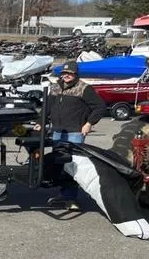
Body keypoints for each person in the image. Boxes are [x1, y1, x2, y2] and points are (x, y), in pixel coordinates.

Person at [35, 60, 107, 210]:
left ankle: (71, 198)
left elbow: (100, 107)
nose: (66, 75)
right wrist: (40, 122)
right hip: (58, 132)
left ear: (76, 74)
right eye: (64, 73)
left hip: (75, 132)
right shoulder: (55, 87)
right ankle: (64, 194)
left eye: (70, 73)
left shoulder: (84, 88)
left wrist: (89, 123)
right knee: (59, 163)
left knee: (73, 164)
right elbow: (47, 107)